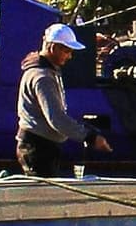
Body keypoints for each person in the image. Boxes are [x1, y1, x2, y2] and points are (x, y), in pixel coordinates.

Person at [16, 22, 107, 175]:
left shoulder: (46, 72)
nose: (70, 56)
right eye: (67, 50)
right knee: (45, 194)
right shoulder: (43, 77)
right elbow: (56, 119)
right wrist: (89, 136)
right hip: (38, 148)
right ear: (53, 47)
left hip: (40, 145)